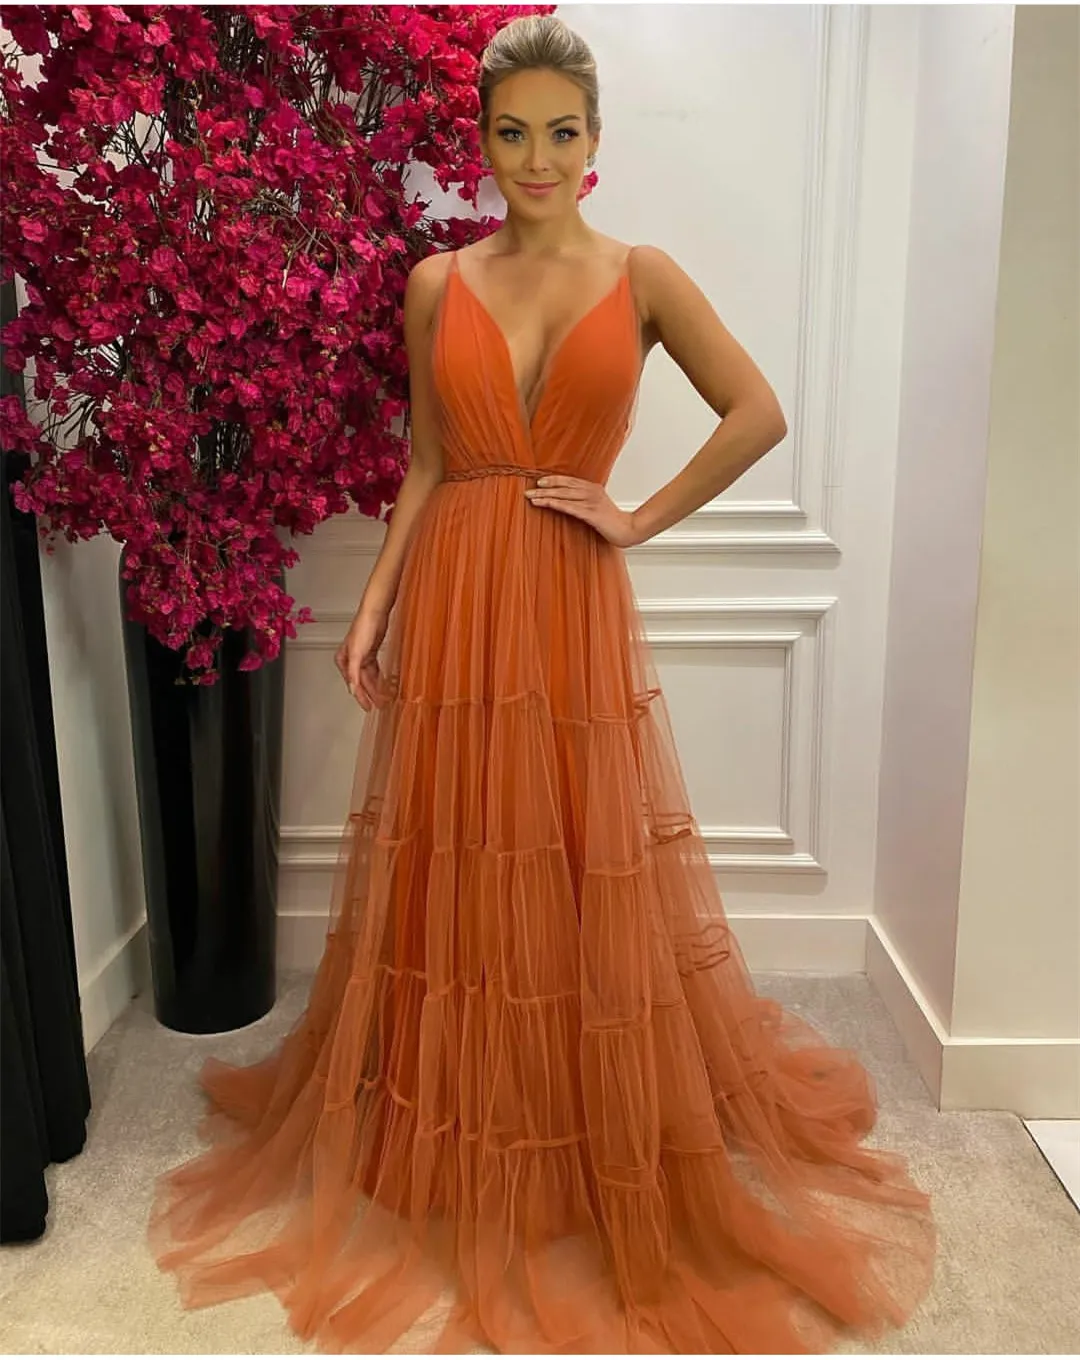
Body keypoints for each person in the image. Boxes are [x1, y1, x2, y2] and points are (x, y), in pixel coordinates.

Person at [149, 15, 937, 1353]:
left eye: (560, 133)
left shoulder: (643, 276)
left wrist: (637, 517)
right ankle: (462, 1107)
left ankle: (577, 1116)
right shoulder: (435, 282)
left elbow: (758, 413)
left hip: (568, 594)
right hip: (459, 593)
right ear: (483, 140)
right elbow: (426, 463)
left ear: (595, 142)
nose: (536, 158)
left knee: (572, 849)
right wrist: (377, 606)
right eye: (511, 133)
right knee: (460, 847)